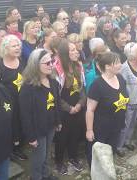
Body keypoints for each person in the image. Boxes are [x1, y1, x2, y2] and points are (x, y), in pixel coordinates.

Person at [19, 49, 61, 180]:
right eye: (47, 63)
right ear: (36, 65)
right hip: (38, 130)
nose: (51, 65)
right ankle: (37, 177)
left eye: (52, 61)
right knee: (39, 157)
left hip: (50, 126)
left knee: (47, 154)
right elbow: (25, 115)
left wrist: (58, 121)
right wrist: (31, 137)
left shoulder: (52, 81)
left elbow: (56, 103)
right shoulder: (28, 87)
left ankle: (46, 174)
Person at [86, 51, 129, 165]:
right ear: (107, 66)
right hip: (101, 129)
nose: (120, 65)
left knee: (110, 153)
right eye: (117, 63)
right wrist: (89, 130)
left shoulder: (120, 78)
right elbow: (90, 109)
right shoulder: (97, 84)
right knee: (97, 156)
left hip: (116, 126)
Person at [54, 40, 85, 174]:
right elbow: (55, 95)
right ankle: (59, 162)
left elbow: (83, 88)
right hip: (63, 111)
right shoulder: (56, 69)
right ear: (64, 54)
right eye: (72, 50)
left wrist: (79, 104)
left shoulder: (78, 66)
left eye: (75, 49)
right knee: (62, 137)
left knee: (75, 134)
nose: (76, 52)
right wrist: (69, 108)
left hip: (78, 108)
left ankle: (73, 157)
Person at [0, 35, 28, 161]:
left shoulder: (21, 61)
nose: (17, 48)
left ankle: (20, 146)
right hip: (7, 103)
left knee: (22, 123)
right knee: (11, 125)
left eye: (18, 46)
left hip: (23, 100)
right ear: (5, 48)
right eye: (14, 46)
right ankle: (11, 149)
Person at [118, 42, 137, 153]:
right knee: (125, 125)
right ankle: (119, 146)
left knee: (133, 123)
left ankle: (127, 141)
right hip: (129, 102)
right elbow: (120, 86)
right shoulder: (124, 68)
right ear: (132, 54)